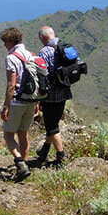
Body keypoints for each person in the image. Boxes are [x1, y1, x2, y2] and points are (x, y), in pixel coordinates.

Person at [0, 27, 38, 180]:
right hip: (31, 101)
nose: (4, 45)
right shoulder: (30, 55)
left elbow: (11, 85)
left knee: (8, 135)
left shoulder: (11, 58)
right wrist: (37, 103)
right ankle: (26, 164)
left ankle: (20, 162)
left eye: (5, 42)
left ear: (10, 41)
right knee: (23, 134)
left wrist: (6, 106)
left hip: (16, 102)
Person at [36, 26, 71, 165]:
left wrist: (39, 95)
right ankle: (44, 151)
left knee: (51, 126)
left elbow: (41, 75)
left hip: (50, 95)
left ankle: (61, 155)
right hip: (64, 92)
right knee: (53, 123)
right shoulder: (65, 47)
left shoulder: (44, 51)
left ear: (42, 38)